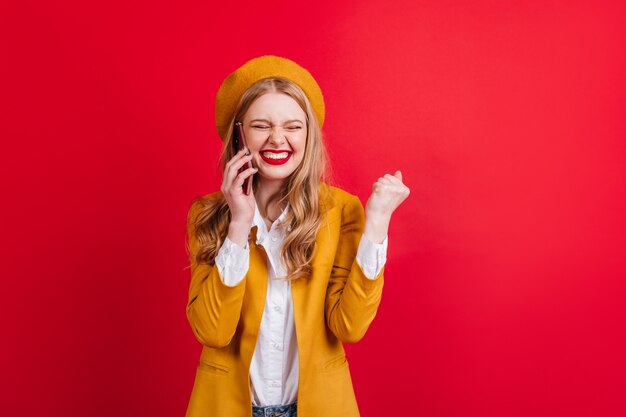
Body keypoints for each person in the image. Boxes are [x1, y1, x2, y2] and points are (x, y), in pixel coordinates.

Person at [184, 55, 410, 417]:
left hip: (319, 407)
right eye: (261, 125)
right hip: (226, 407)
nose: (278, 139)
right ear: (239, 134)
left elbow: (349, 326)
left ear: (309, 135)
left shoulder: (340, 211)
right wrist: (239, 224)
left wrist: (378, 221)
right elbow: (212, 331)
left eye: (293, 126)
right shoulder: (207, 214)